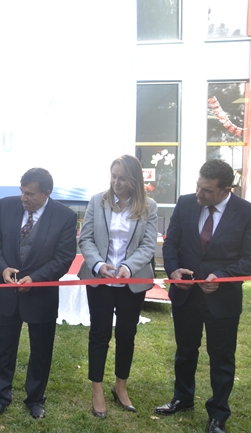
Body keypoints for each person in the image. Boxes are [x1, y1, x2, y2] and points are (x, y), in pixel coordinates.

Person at [156, 159, 251, 433]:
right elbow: (171, 243)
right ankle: (182, 398)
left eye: (207, 191)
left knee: (221, 357)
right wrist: (173, 270)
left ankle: (218, 414)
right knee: (185, 350)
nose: (199, 194)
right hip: (186, 295)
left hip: (222, 300)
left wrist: (222, 276)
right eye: (198, 186)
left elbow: (250, 258)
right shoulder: (186, 203)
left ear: (226, 190)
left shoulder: (247, 212)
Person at [0, 168, 77, 420]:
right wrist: (2, 268)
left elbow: (64, 258)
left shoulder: (65, 216)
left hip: (41, 296)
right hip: (8, 294)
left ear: (47, 193)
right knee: (3, 348)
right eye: (22, 191)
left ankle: (35, 398)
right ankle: (0, 396)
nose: (23, 198)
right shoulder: (6, 207)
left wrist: (36, 279)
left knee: (41, 350)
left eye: (30, 194)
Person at [78, 155, 157, 418]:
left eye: (122, 178)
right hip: (100, 280)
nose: (116, 183)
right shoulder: (97, 201)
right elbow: (86, 239)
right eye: (113, 177)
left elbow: (148, 245)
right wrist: (99, 264)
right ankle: (97, 389)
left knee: (126, 334)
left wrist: (128, 267)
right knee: (99, 334)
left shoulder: (148, 207)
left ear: (134, 180)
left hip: (131, 283)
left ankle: (120, 386)